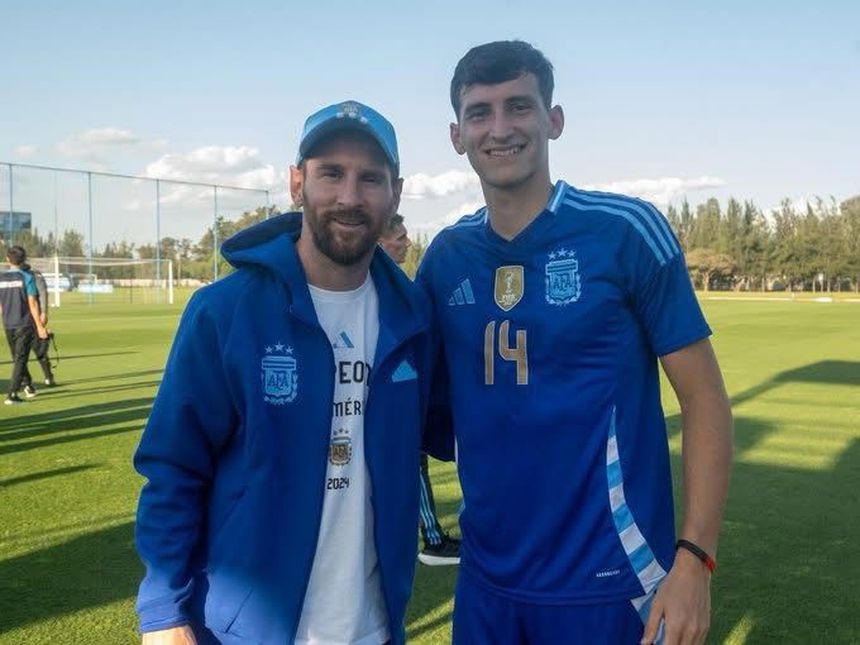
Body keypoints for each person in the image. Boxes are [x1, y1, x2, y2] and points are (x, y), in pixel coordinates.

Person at [417, 41, 733, 644]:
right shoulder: (445, 259)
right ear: (457, 135)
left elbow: (705, 399)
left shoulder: (624, 231)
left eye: (519, 106)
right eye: (480, 112)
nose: (501, 128)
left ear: (553, 120)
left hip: (613, 581)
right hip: (486, 585)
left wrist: (694, 560)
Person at [135, 100, 434, 645]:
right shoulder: (225, 312)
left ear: (395, 193)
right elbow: (173, 467)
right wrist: (163, 610)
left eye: (370, 178)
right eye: (330, 174)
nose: (349, 196)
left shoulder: (413, 319)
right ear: (297, 183)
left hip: (374, 628)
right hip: (247, 631)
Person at [379, 215, 461, 566]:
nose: (407, 242)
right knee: (410, 465)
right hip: (392, 400)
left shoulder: (397, 286)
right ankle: (430, 538)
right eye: (399, 236)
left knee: (415, 463)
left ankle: (428, 537)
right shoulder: (381, 289)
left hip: (408, 396)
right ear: (380, 243)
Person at [1, 246, 49, 405]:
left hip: (8, 324)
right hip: (24, 324)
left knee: (17, 357)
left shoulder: (1, 278)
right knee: (20, 359)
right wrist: (40, 327)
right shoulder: (27, 277)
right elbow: (33, 303)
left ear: (8, 259)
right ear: (24, 259)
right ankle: (12, 395)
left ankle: (28, 385)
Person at [21, 262, 56, 386]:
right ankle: (25, 381)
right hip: (19, 319)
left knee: (40, 350)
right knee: (20, 354)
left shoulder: (34, 275)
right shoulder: (12, 276)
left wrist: (44, 313)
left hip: (34, 318)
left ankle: (48, 376)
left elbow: (43, 294)